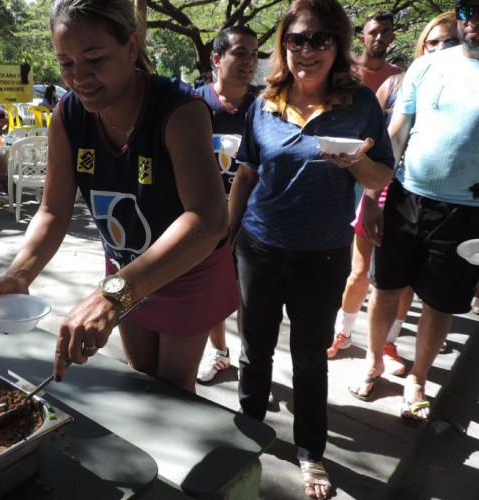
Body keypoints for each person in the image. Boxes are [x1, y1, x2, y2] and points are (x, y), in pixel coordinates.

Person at [0, 0, 238, 393]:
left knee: (172, 389)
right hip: (123, 267)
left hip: (184, 266)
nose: (79, 77)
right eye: (66, 63)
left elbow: (208, 218)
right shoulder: (68, 114)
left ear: (130, 47)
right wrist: (20, 273)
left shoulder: (179, 110)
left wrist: (113, 295)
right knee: (139, 376)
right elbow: (53, 210)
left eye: (94, 58)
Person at [226, 0, 394, 497]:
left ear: (338, 45)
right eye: (296, 40)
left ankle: (309, 452)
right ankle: (248, 434)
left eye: (319, 39)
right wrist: (227, 236)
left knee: (309, 358)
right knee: (254, 349)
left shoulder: (360, 103)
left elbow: (380, 176)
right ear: (284, 46)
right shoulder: (264, 102)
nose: (306, 50)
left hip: (322, 256)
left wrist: (353, 162)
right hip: (259, 246)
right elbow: (247, 173)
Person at [349, 0, 479, 426]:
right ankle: (373, 362)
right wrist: (372, 197)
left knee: (439, 304)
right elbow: (397, 134)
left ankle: (418, 380)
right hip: (406, 196)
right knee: (384, 288)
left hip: (466, 212)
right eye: (467, 11)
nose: (473, 21)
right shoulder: (426, 66)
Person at [327, 12, 460, 369]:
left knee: (402, 285)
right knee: (360, 271)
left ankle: (388, 343)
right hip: (383, 187)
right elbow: (383, 137)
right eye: (433, 42)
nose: (440, 48)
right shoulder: (398, 83)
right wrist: (368, 189)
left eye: (450, 41)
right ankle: (343, 332)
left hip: (433, 203)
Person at [193, 25, 260, 383]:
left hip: (253, 218)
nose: (250, 61)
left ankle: (252, 363)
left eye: (255, 54)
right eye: (241, 53)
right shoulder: (194, 104)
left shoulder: (265, 106)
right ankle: (218, 352)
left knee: (249, 295)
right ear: (217, 59)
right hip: (204, 215)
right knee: (209, 289)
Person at [353, 11, 402, 92]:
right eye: (373, 33)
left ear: (392, 38)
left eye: (385, 32)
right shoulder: (345, 69)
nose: (379, 38)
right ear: (362, 39)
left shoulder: (398, 75)